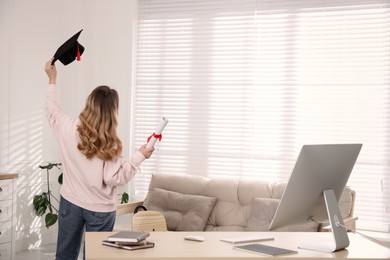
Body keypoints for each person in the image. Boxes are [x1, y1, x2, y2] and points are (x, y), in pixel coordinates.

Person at [44, 58, 154, 260]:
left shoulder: (68, 127)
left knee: (65, 255)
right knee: (96, 256)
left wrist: (52, 79)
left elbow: (52, 111)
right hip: (100, 210)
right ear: (113, 112)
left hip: (71, 202)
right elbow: (114, 178)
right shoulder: (110, 143)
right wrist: (139, 156)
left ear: (89, 105)